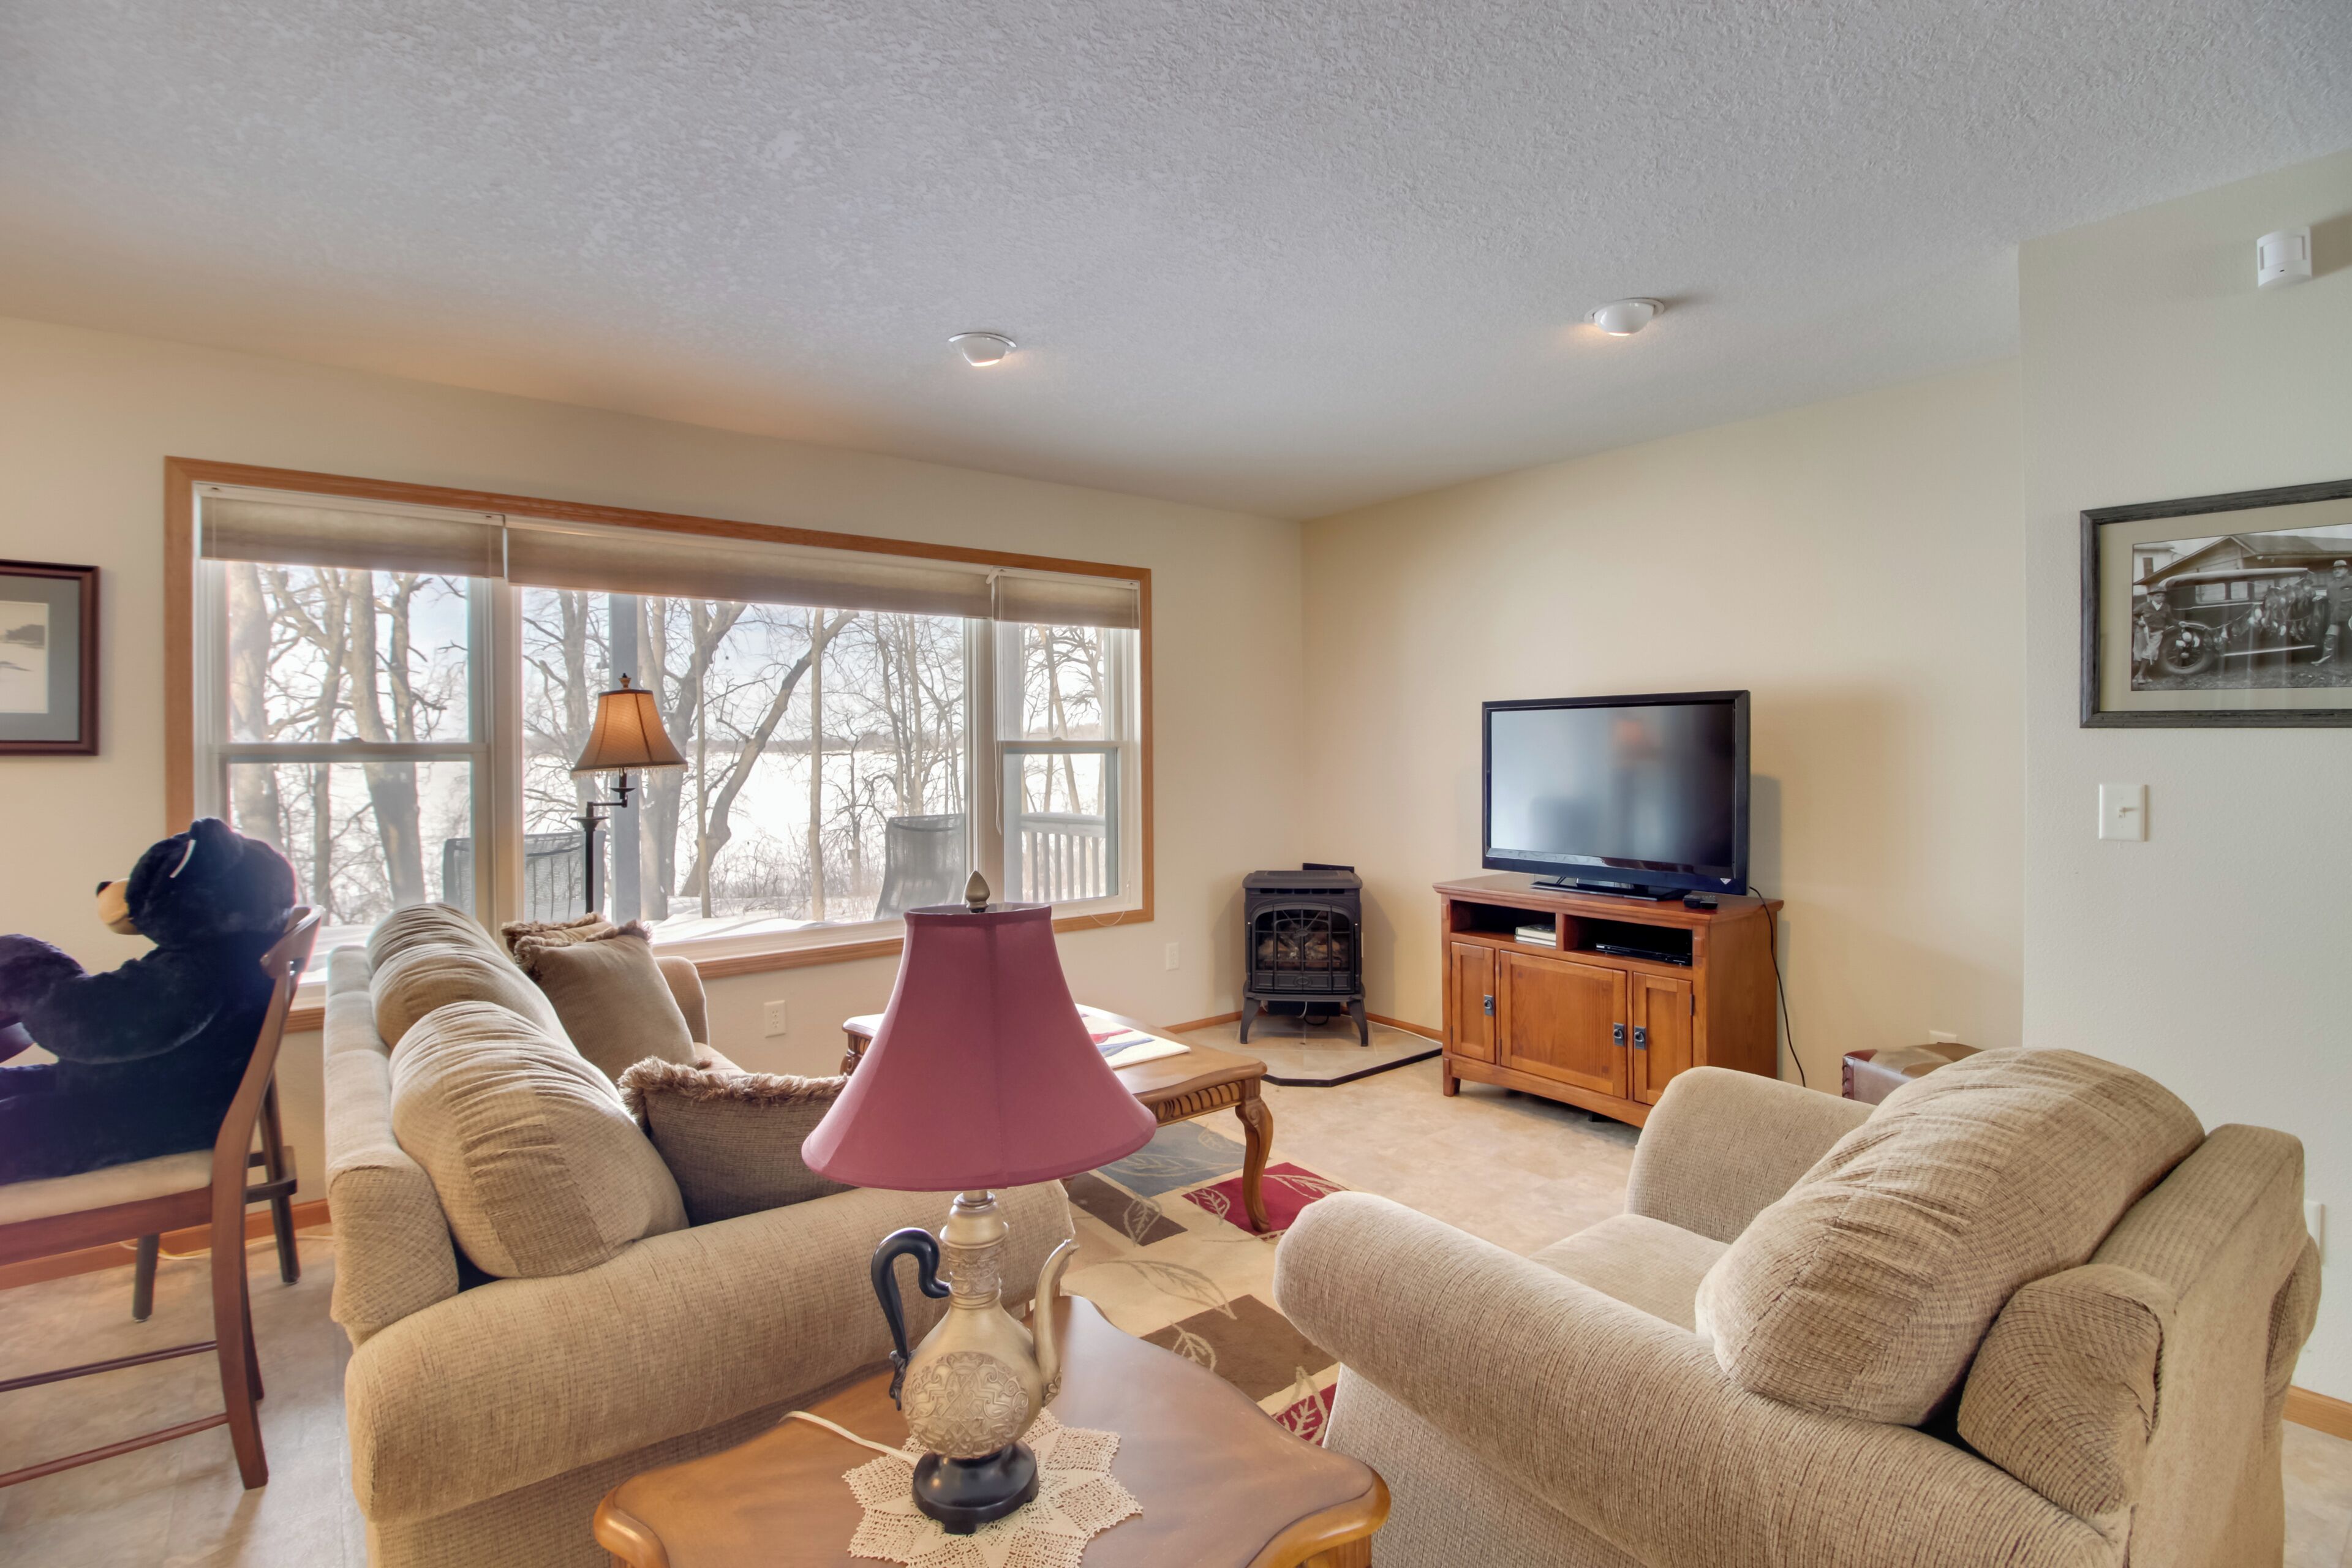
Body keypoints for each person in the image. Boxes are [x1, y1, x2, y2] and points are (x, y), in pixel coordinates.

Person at [2133, 588, 2174, 679]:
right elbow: (2132, 615)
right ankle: (2145, 675)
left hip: (2157, 632)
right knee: (2140, 652)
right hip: (2143, 631)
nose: (2161, 598)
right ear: (2152, 597)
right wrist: (2138, 622)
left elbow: (2170, 620)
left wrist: (2179, 623)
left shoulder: (2166, 607)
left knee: (2151, 652)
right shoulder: (2144, 606)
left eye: (2163, 596)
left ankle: (2140, 674)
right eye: (2158, 596)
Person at [2318, 560, 2352, 666]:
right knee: (2330, 638)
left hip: (2350, 617)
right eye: (2335, 569)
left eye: (2340, 569)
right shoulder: (2331, 585)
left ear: (2346, 570)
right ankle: (2326, 660)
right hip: (2336, 616)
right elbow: (2330, 598)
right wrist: (2322, 597)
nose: (2337, 571)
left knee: (2349, 639)